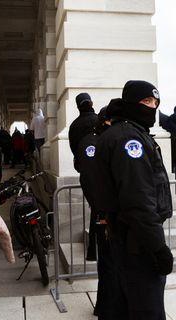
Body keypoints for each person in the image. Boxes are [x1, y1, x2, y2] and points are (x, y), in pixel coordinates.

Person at [95, 80, 173, 319]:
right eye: (146, 101)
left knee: (125, 307)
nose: (152, 107)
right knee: (147, 310)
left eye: (156, 103)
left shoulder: (125, 133)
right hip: (138, 241)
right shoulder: (131, 140)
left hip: (128, 236)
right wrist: (158, 248)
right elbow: (138, 200)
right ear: (130, 104)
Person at [75, 106, 112, 318]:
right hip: (104, 213)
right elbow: (89, 177)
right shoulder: (92, 142)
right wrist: (100, 207)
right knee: (107, 266)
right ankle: (104, 306)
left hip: (107, 212)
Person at [68, 93, 98, 171]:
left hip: (84, 167)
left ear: (78, 107)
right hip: (101, 168)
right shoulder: (100, 120)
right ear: (91, 103)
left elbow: (74, 148)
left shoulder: (74, 126)